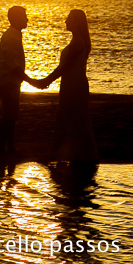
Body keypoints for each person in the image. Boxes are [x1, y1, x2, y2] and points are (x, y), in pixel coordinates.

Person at [37, 9, 98, 162]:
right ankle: (73, 153)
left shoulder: (78, 42)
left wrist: (47, 80)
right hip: (70, 84)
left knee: (70, 118)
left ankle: (56, 152)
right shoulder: (76, 41)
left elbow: (65, 67)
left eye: (69, 19)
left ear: (76, 23)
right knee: (71, 119)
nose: (66, 21)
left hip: (75, 86)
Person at [0, 5, 40, 162]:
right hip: (8, 79)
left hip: (9, 79)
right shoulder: (12, 37)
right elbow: (13, 66)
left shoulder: (14, 35)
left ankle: (9, 148)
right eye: (24, 16)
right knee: (9, 114)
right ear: (14, 18)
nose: (27, 19)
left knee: (11, 114)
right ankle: (3, 150)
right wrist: (32, 82)